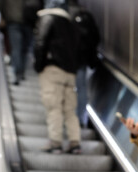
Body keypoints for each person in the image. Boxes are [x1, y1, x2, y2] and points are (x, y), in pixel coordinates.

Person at [34, 1, 81, 154]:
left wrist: (39, 65)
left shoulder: (48, 18)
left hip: (53, 68)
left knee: (53, 106)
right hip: (70, 72)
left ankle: (55, 142)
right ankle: (75, 142)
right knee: (69, 109)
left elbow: (41, 42)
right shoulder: (71, 23)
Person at [69, 0, 100, 128]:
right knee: (81, 88)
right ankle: (79, 118)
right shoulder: (87, 16)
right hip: (82, 60)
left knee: (68, 89)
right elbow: (96, 37)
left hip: (67, 61)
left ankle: (69, 120)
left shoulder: (65, 16)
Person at [0, 0, 43, 85]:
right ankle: (20, 72)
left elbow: (0, 3)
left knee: (17, 48)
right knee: (23, 49)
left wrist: (2, 16)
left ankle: (17, 73)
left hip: (15, 20)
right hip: (27, 20)